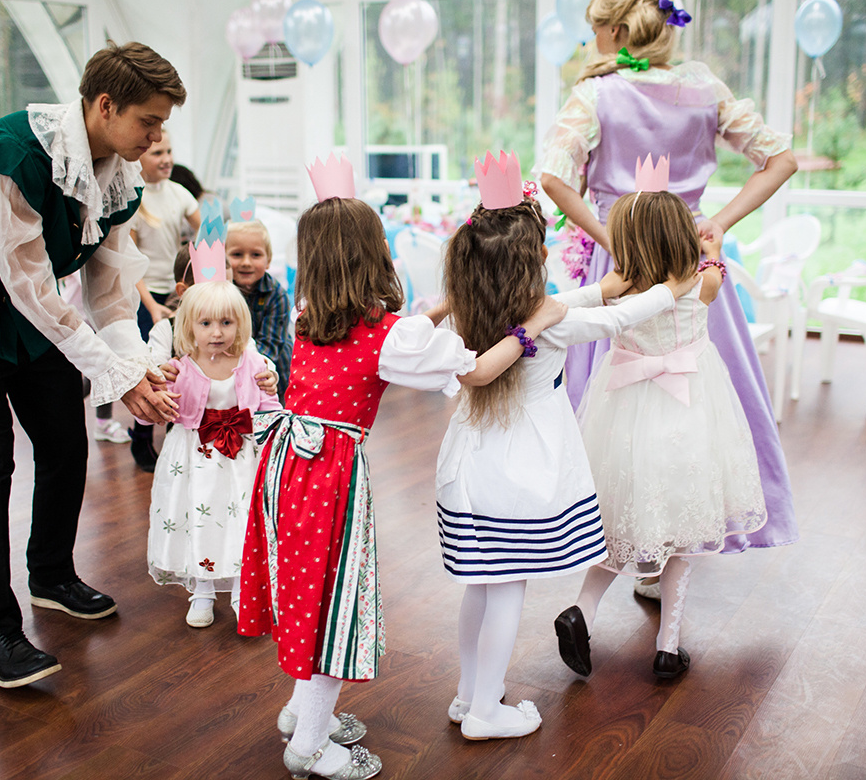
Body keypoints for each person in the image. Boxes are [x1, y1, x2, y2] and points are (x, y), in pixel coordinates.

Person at [236, 155, 565, 780]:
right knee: (334, 607)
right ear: (373, 257)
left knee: (306, 593)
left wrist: (438, 306)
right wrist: (532, 326)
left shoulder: (311, 315)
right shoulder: (386, 335)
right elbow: (474, 369)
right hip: (328, 478)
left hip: (284, 468)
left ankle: (300, 712)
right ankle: (307, 743)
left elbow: (399, 334)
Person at [0, 41, 186, 689]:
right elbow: (29, 285)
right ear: (105, 105)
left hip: (30, 305)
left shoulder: (116, 172)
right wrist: (118, 378)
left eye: (162, 124)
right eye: (149, 121)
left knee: (62, 440)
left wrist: (133, 364)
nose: (157, 137)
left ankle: (51, 574)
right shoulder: (12, 154)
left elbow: (108, 286)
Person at [538, 0, 799, 595]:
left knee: (610, 409)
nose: (592, 41)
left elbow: (552, 176)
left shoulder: (594, 95)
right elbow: (781, 158)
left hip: (618, 273)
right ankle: (668, 550)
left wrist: (612, 238)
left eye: (596, 29)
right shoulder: (705, 91)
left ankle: (610, 542)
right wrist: (718, 223)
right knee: (695, 406)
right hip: (692, 271)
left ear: (618, 33)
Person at [435, 152, 696, 741]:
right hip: (517, 476)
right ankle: (484, 715)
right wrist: (672, 290)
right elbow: (612, 320)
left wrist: (599, 287)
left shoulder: (472, 314)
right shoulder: (546, 322)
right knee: (507, 591)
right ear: (529, 263)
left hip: (466, 470)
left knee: (481, 584)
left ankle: (468, 694)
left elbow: (564, 309)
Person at [555, 186, 768, 679]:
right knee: (683, 535)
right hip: (687, 416)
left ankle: (581, 612)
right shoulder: (702, 285)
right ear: (680, 236)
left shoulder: (618, 290)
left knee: (620, 524)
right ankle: (668, 648)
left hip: (623, 417)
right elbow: (715, 271)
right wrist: (712, 249)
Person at [144, 279, 280, 628]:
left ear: (240, 324)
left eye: (226, 323)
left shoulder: (252, 363)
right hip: (193, 458)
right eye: (205, 324)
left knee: (239, 522)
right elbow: (152, 409)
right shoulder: (180, 367)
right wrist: (158, 381)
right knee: (197, 519)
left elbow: (270, 407)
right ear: (189, 325)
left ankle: (240, 589)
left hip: (240, 460)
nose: (216, 333)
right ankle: (201, 591)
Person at [127, 130, 202, 470]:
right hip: (146, 295)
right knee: (151, 369)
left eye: (170, 151)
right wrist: (151, 305)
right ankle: (141, 436)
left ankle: (176, 430)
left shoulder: (180, 193)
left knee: (179, 361)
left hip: (178, 291)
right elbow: (128, 261)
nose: (167, 159)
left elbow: (210, 231)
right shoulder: (133, 199)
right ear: (139, 156)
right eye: (158, 153)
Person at [226, 217, 293, 400]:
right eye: (237, 254)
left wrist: (239, 367)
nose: (246, 262)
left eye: (255, 255)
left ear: (268, 260)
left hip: (269, 369)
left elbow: (270, 345)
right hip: (229, 368)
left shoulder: (276, 294)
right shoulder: (220, 291)